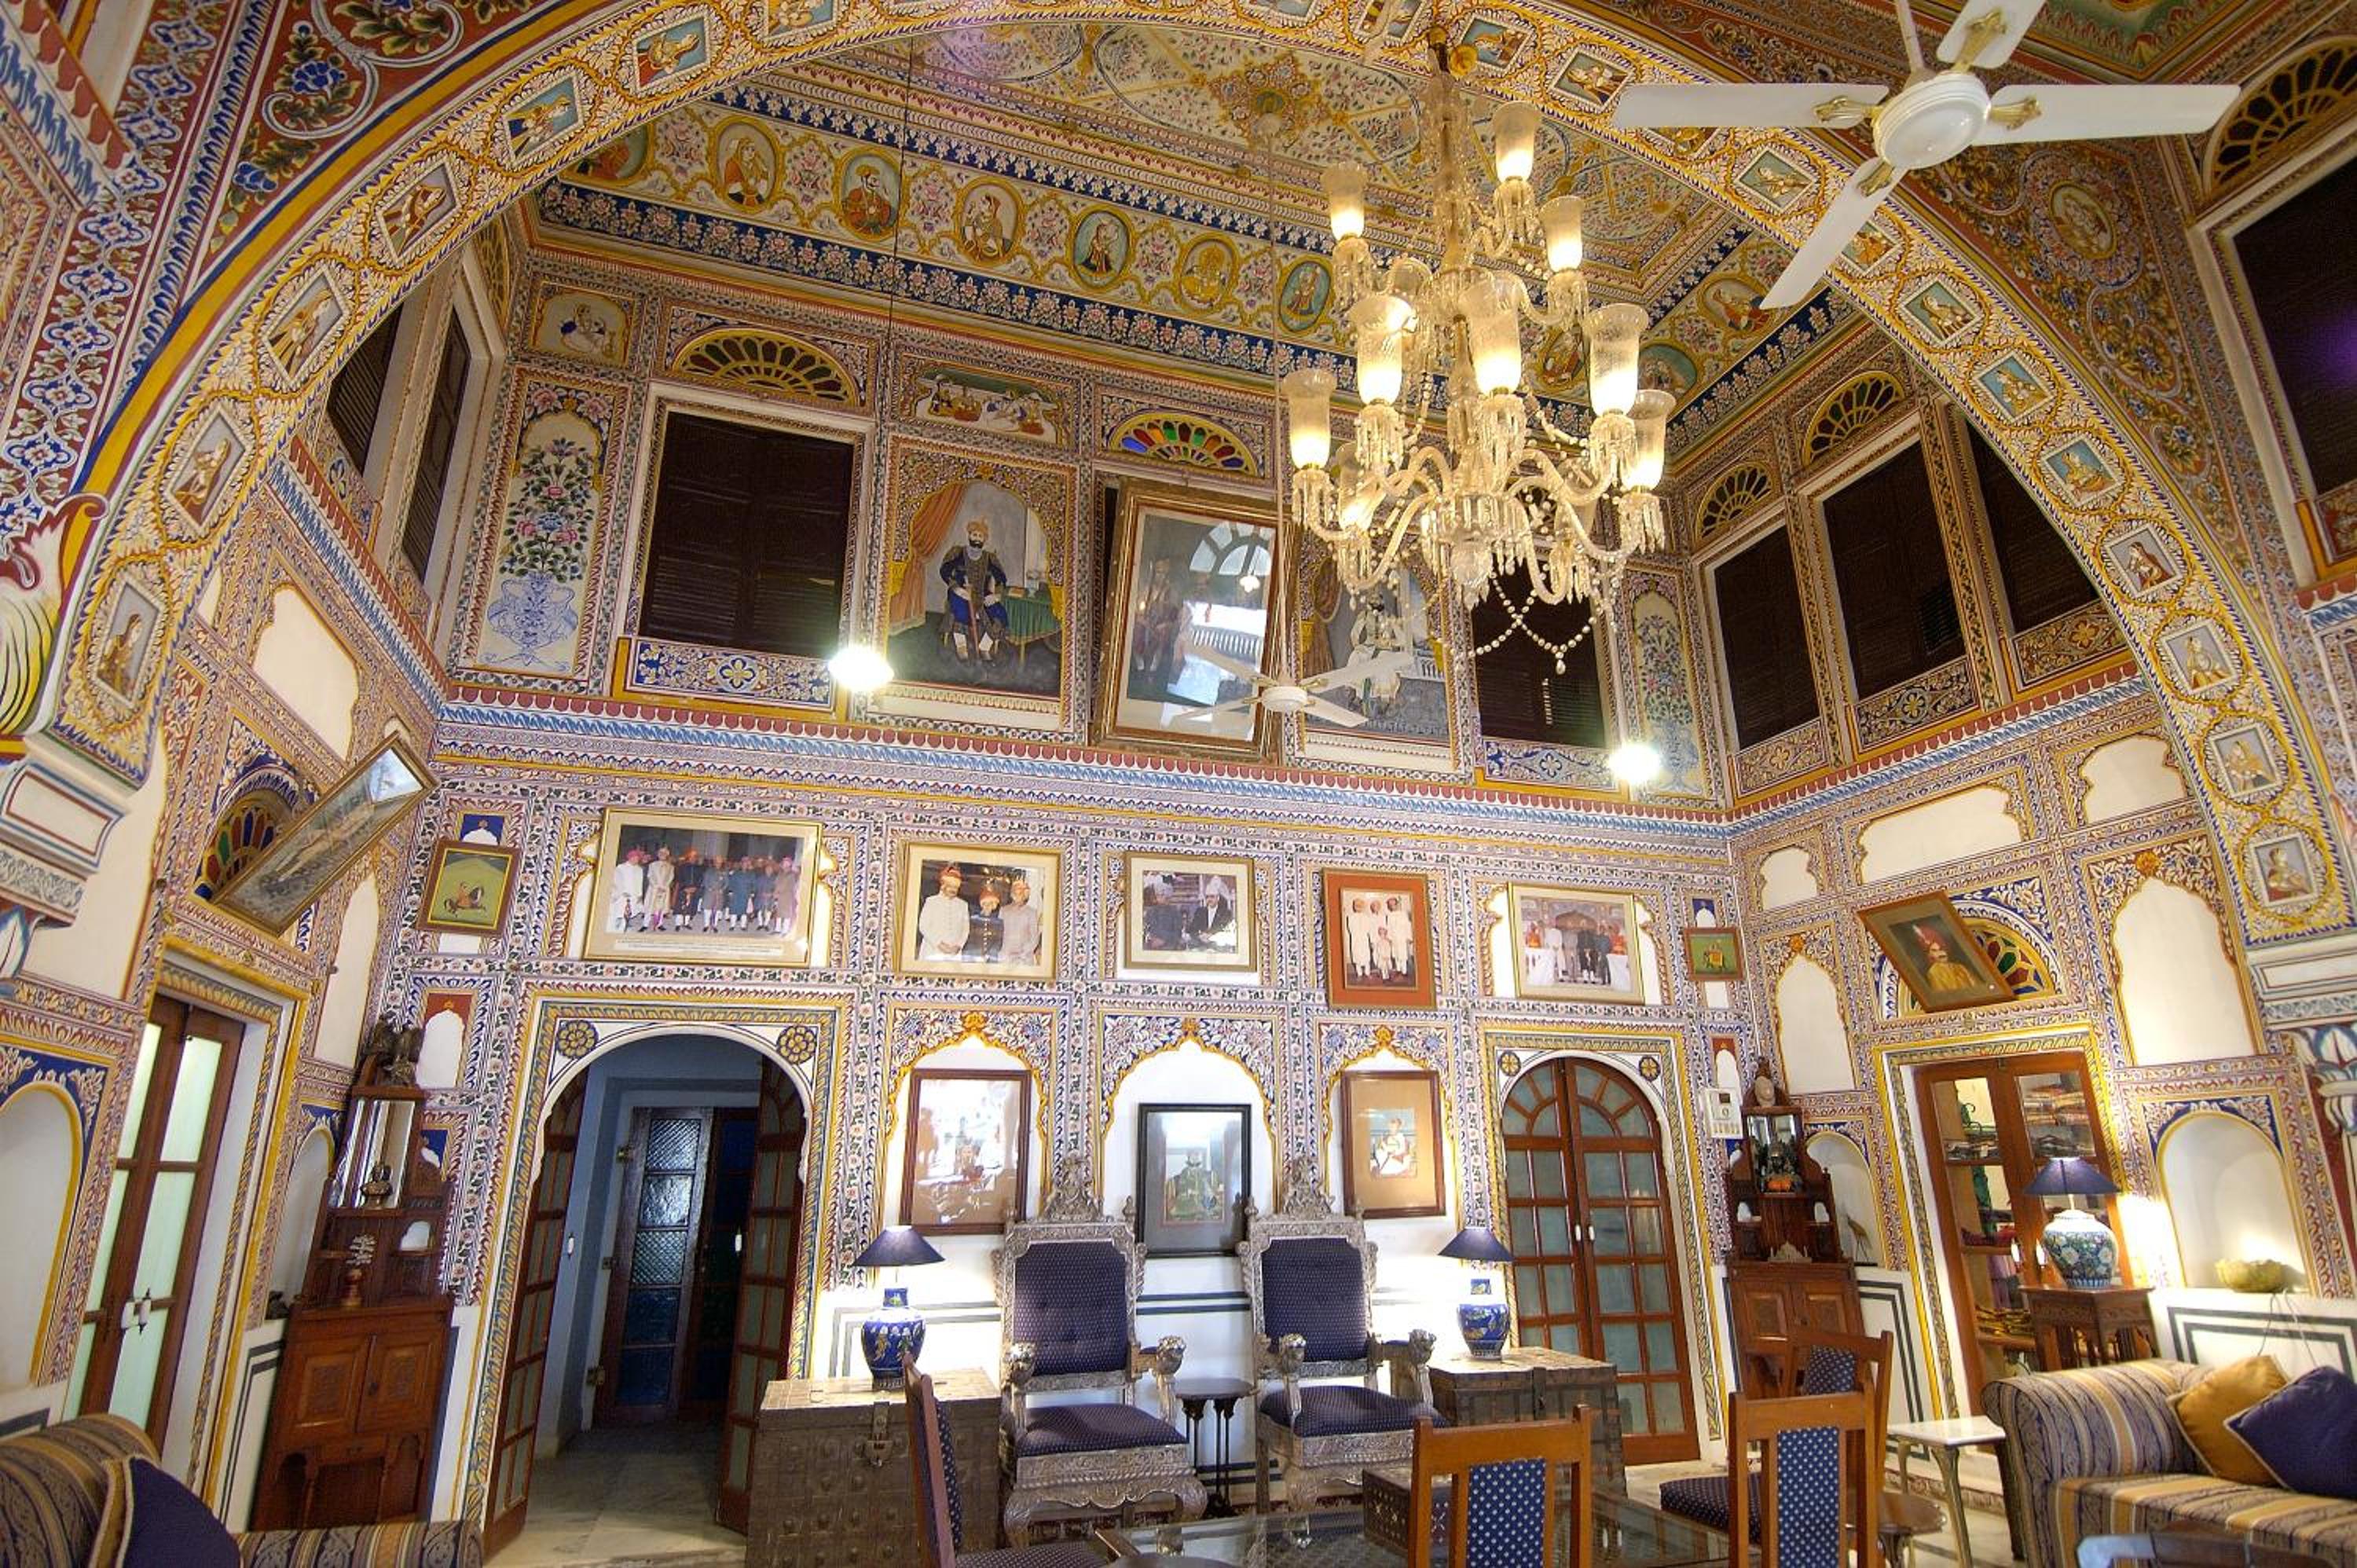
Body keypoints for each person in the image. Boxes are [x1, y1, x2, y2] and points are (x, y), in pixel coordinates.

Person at [940, 519, 1009, 664]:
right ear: (969, 536)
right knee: (960, 610)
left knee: (999, 613)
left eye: (980, 536)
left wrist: (996, 595)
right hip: (960, 592)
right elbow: (945, 571)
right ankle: (962, 647)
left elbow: (1001, 579)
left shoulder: (990, 558)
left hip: (983, 594)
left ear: (984, 539)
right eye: (974, 535)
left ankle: (984, 647)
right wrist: (957, 588)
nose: (977, 538)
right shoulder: (958, 552)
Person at [917, 863, 971, 958]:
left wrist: (959, 946)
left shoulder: (963, 905)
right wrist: (939, 944)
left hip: (954, 954)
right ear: (943, 885)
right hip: (932, 951)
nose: (953, 890)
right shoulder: (931, 901)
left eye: (956, 888)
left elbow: (965, 929)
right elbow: (923, 926)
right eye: (951, 886)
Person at [1915, 925, 1977, 994]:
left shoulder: (1960, 967)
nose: (1941, 953)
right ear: (1929, 955)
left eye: (1941, 949)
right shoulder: (1934, 972)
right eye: (1934, 950)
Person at [999, 874, 1041, 963]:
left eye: (1021, 892)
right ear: (1012, 893)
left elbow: (1034, 938)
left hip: (1024, 959)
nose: (1018, 894)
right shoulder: (1004, 910)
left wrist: (1023, 953)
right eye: (1016, 890)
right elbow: (999, 934)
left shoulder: (1031, 912)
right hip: (1005, 958)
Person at [963, 878, 1007, 962]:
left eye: (990, 904)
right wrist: (977, 954)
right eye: (985, 903)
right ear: (982, 905)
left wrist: (989, 954)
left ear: (994, 906)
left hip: (991, 958)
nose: (987, 906)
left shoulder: (998, 923)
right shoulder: (974, 920)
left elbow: (998, 941)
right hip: (975, 957)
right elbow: (970, 939)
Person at [1187, 879, 1234, 948]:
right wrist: (1200, 935)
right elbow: (1192, 929)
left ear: (1218, 898)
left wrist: (1212, 936)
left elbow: (1226, 931)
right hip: (1201, 945)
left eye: (1212, 897)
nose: (1209, 899)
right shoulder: (1200, 911)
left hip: (1218, 945)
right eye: (1207, 897)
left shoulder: (1226, 913)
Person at [610, 845, 647, 931]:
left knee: (631, 910)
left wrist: (640, 894)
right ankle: (617, 922)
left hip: (634, 893)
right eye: (634, 858)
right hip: (623, 893)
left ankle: (627, 922)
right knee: (620, 909)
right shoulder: (621, 867)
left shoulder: (639, 869)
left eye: (638, 858)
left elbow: (640, 882)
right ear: (630, 858)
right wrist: (622, 891)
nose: (636, 860)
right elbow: (616, 880)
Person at [1141, 882, 1184, 951]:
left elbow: (1178, 933)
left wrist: (1164, 940)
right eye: (1158, 895)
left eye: (1162, 895)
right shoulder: (1150, 912)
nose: (1159, 897)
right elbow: (1148, 930)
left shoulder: (1175, 912)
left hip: (1170, 945)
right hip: (1152, 944)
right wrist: (1153, 940)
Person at [643, 845, 675, 932]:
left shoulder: (670, 866)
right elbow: (649, 876)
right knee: (650, 906)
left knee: (661, 907)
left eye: (664, 853)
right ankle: (645, 924)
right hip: (654, 889)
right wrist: (656, 886)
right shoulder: (652, 865)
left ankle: (659, 924)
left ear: (667, 855)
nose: (663, 855)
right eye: (661, 853)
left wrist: (665, 886)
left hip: (664, 889)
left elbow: (671, 877)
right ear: (658, 854)